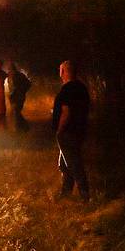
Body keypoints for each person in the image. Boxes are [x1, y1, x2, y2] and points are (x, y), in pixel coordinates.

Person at [51, 60, 91, 203]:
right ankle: (65, 193)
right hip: (80, 129)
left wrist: (60, 130)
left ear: (63, 72)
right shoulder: (82, 88)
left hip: (68, 132)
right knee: (64, 163)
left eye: (60, 70)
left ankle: (85, 195)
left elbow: (66, 112)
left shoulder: (67, 89)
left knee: (74, 163)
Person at [6, 62, 32, 132]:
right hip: (12, 96)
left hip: (19, 96)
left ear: (13, 68)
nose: (9, 69)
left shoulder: (19, 75)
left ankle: (22, 127)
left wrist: (22, 91)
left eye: (10, 68)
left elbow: (28, 84)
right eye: (9, 68)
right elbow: (10, 86)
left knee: (16, 111)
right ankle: (21, 127)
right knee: (15, 112)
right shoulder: (9, 76)